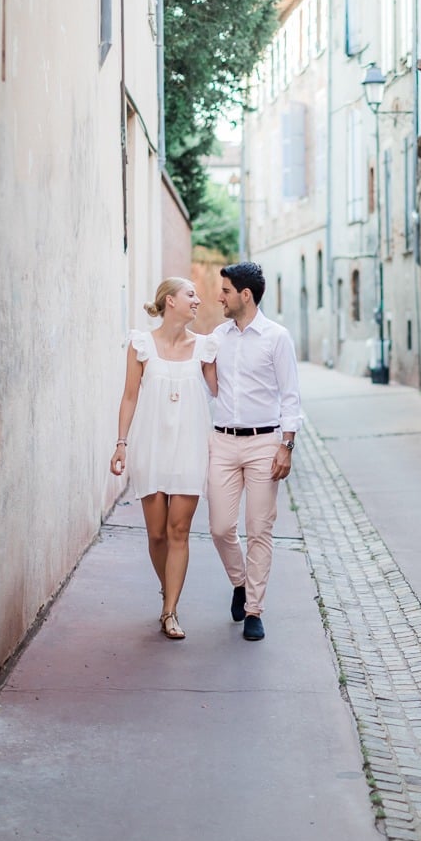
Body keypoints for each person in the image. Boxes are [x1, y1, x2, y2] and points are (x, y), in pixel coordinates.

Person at [109, 278, 219, 641]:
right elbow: (128, 397)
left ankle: (170, 609)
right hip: (150, 445)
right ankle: (166, 589)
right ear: (170, 301)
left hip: (190, 447)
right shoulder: (140, 345)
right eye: (191, 295)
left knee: (179, 531)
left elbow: (221, 393)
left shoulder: (206, 348)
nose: (198, 300)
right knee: (157, 533)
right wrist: (121, 443)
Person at [206, 262, 301, 642]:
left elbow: (291, 395)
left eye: (226, 290)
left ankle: (254, 610)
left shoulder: (277, 338)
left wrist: (286, 445)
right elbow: (214, 390)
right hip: (224, 441)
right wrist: (204, 365)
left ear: (245, 295)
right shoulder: (218, 336)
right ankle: (240, 582)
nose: (220, 297)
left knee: (259, 528)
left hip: (265, 442)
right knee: (219, 527)